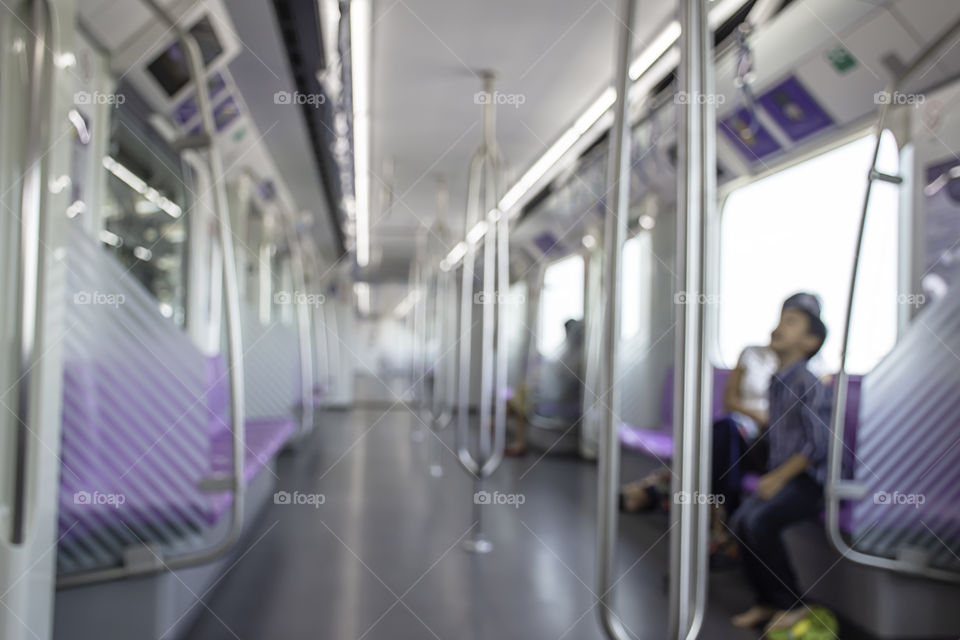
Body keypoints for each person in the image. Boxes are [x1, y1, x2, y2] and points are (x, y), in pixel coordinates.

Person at [729, 292, 831, 633]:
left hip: (807, 481)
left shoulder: (809, 383)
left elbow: (817, 446)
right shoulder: (777, 382)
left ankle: (794, 603)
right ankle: (766, 601)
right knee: (742, 520)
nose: (778, 327)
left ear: (810, 341)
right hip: (783, 475)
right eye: (780, 319)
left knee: (759, 522)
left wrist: (776, 478)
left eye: (791, 323)